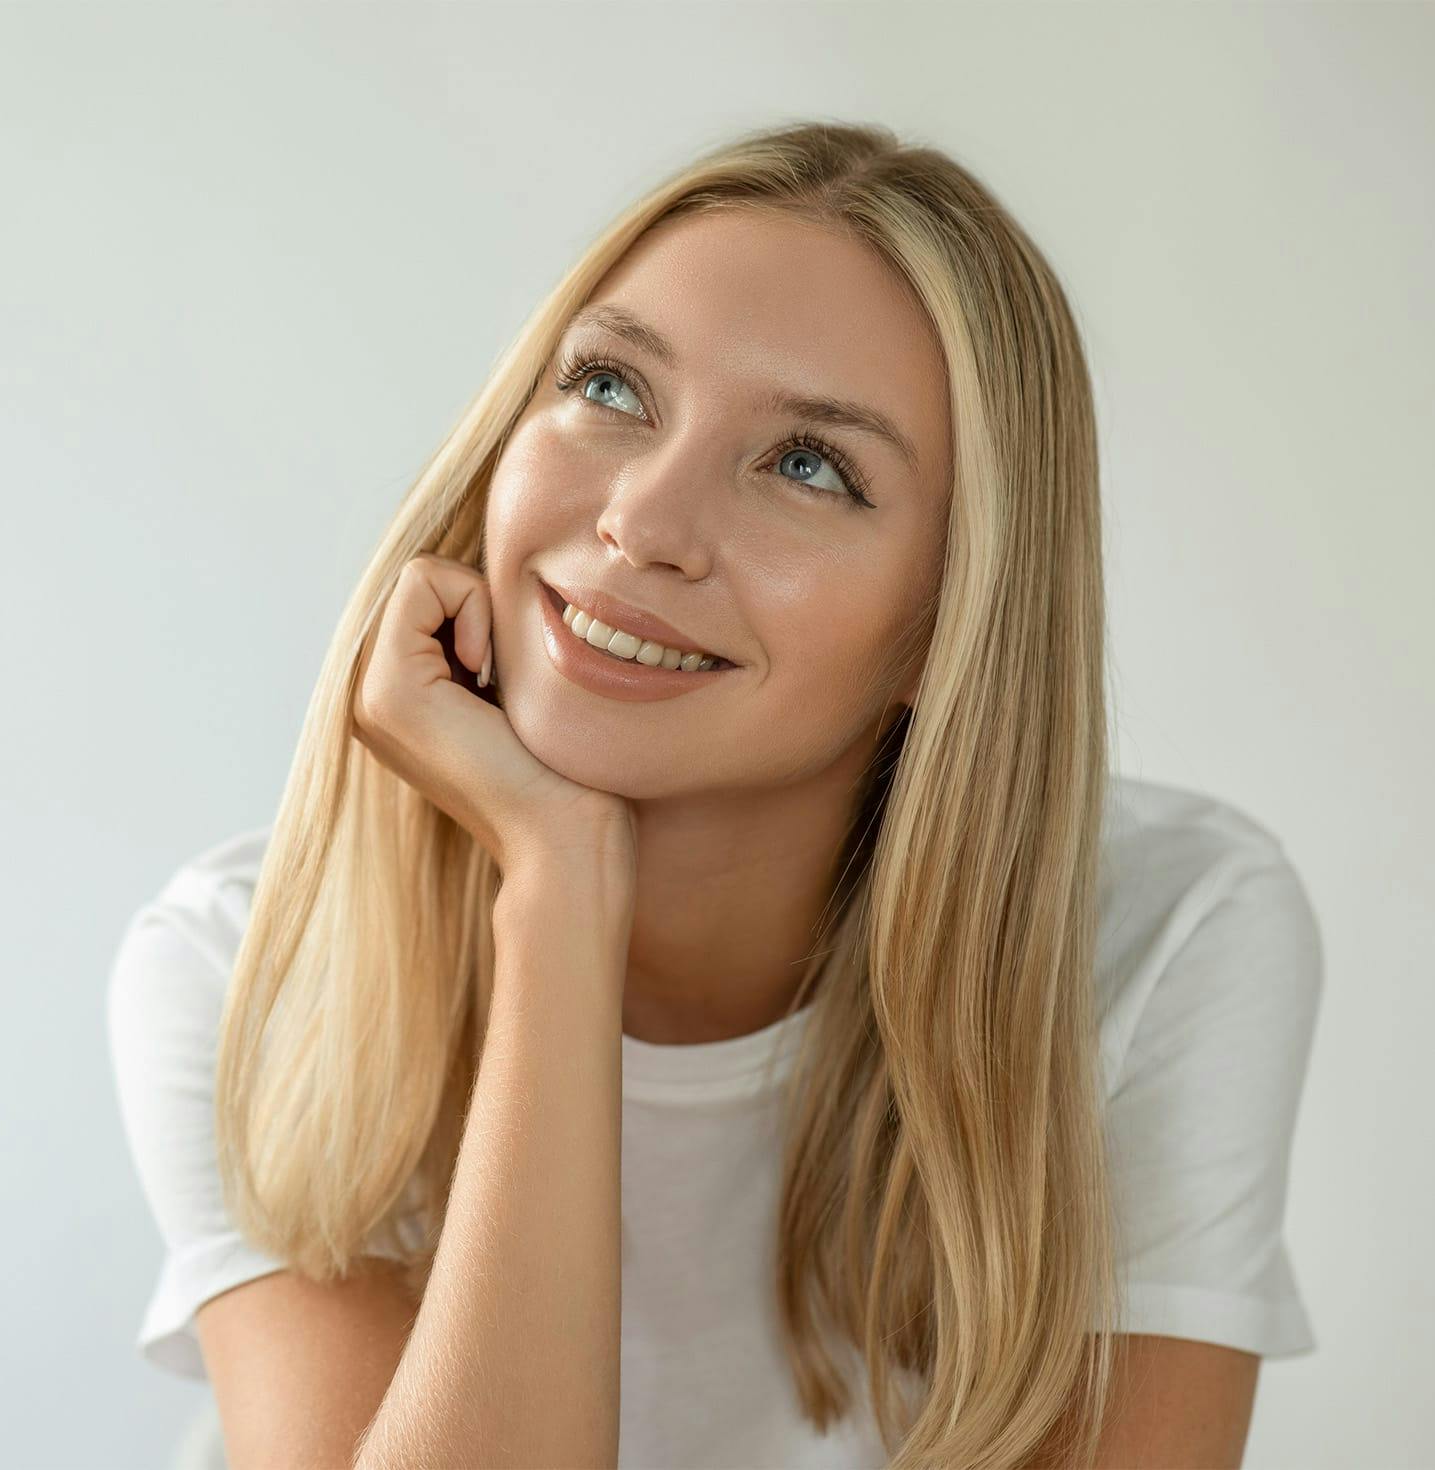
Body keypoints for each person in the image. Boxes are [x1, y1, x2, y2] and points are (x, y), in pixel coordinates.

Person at [107, 120, 1322, 1470]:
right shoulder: (242, 965)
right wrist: (559, 887)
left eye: (809, 465)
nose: (642, 521)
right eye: (611, 385)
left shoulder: (1166, 937)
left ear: (949, 627)